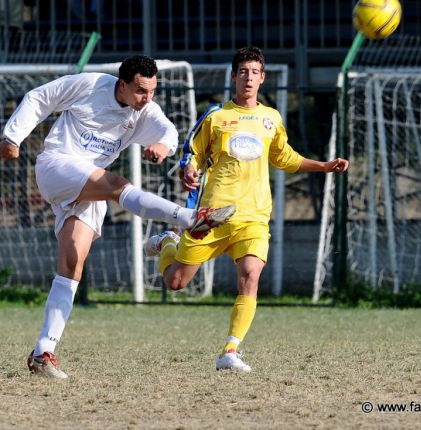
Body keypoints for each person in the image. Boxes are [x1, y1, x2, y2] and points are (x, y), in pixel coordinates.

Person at [0, 54, 236, 379]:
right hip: (57, 165)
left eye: (152, 91)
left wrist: (162, 147)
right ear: (122, 84)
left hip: (89, 185)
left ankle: (43, 352)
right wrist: (12, 137)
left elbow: (168, 131)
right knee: (118, 185)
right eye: (140, 90)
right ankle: (189, 218)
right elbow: (40, 97)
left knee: (72, 263)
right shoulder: (90, 84)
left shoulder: (144, 110)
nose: (147, 98)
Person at [144, 47, 349, 372]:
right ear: (233, 76)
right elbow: (191, 153)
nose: (249, 78)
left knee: (250, 277)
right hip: (211, 216)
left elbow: (285, 158)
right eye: (243, 72)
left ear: (262, 78)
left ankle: (230, 351)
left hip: (254, 217)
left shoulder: (271, 118)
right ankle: (169, 241)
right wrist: (189, 170)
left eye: (254, 72)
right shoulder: (216, 116)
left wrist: (324, 166)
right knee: (176, 282)